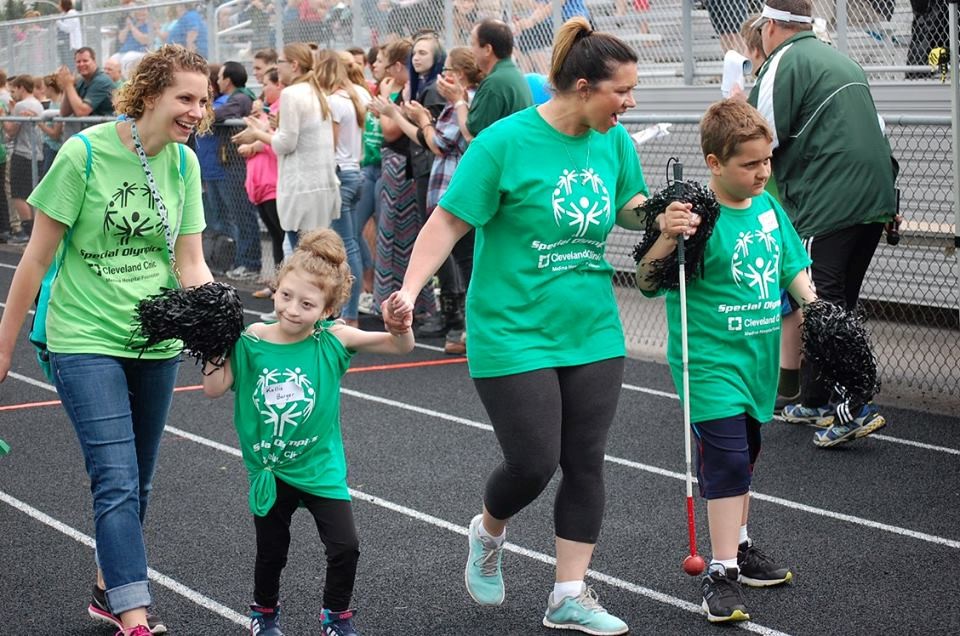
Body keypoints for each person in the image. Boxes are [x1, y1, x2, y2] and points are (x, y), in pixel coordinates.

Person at [385, 18, 656, 635]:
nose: (631, 103)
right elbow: (448, 223)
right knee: (534, 463)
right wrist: (408, 288)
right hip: (511, 328)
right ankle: (489, 530)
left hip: (591, 329)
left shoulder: (614, 143)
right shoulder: (504, 142)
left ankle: (568, 593)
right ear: (584, 87)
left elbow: (630, 207)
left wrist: (669, 211)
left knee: (585, 461)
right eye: (624, 91)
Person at [0, 44, 213, 636]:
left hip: (157, 342)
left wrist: (222, 324)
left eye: (203, 99)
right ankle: (134, 615)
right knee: (115, 477)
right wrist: (1, 346)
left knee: (138, 479)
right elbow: (35, 260)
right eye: (186, 98)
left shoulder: (184, 164)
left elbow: (190, 261)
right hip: (84, 335)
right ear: (149, 95)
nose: (198, 110)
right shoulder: (83, 154)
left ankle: (105, 590)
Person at [637, 98, 812, 624]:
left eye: (767, 162)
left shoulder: (767, 207)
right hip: (708, 360)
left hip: (755, 357)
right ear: (714, 163)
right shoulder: (694, 217)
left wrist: (817, 307)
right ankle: (721, 571)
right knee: (728, 460)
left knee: (747, 456)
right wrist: (668, 237)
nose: (762, 173)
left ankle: (739, 540)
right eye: (749, 164)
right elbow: (647, 282)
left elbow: (791, 266)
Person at [201, 228, 414, 636]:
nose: (293, 309)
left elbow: (398, 347)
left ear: (329, 309)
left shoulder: (332, 340)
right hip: (272, 470)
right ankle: (263, 615)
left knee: (345, 546)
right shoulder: (250, 341)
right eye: (285, 296)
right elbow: (212, 388)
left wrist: (399, 324)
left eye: (307, 303)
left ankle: (335, 616)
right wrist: (212, 343)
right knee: (271, 553)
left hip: (320, 468)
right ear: (275, 287)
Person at [747, 0, 895, 444]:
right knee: (836, 300)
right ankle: (814, 398)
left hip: (829, 198)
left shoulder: (783, 62)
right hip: (875, 194)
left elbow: (756, 139)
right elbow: (879, 129)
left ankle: (852, 404)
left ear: (770, 25)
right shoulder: (841, 59)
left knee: (819, 302)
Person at [434, 18, 533, 354]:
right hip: (513, 177)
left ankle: (481, 330)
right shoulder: (512, 76)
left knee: (471, 259)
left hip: (497, 184)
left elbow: (474, 134)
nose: (472, 50)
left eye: (474, 44)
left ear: (487, 49)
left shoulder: (495, 83)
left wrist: (460, 101)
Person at [399, 46, 483, 354]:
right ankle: (469, 329)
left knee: (467, 264)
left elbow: (439, 143)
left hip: (456, 194)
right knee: (466, 263)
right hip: (456, 193)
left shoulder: (464, 103)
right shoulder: (461, 103)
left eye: (447, 69)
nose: (442, 75)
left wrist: (422, 119)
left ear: (459, 75)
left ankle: (471, 329)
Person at [232, 43, 340, 249]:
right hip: (320, 188)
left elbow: (285, 144)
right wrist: (265, 128)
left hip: (301, 190)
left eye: (280, 62)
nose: (277, 66)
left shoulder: (292, 94)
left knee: (303, 257)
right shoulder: (316, 92)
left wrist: (257, 134)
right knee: (317, 254)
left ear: (294, 65)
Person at [367, 38, 438, 325]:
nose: (379, 67)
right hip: (394, 169)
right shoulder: (401, 89)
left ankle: (415, 302)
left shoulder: (410, 92)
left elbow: (390, 132)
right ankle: (390, 299)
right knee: (389, 234)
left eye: (384, 61)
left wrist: (387, 108)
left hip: (404, 171)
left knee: (404, 236)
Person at [316, 50, 370, 327]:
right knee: (354, 242)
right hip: (356, 172)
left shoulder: (335, 101)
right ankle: (356, 303)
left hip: (341, 175)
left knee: (347, 246)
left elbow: (330, 145)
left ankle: (350, 313)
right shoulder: (358, 94)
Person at [213, 61, 263, 281]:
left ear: (229, 79)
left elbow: (222, 113)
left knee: (244, 216)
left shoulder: (241, 97)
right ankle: (243, 261)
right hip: (232, 164)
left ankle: (250, 263)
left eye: (220, 77)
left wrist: (210, 112)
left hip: (239, 165)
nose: (217, 81)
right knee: (238, 215)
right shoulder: (240, 97)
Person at [237, 67, 284, 278]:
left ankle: (284, 284)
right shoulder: (266, 111)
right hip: (260, 186)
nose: (262, 90)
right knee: (276, 236)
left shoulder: (281, 110)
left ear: (279, 85)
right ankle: (276, 283)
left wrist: (255, 141)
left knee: (283, 237)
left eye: (266, 84)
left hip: (273, 184)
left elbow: (277, 141)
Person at [4, 75, 44, 244]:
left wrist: (5, 115)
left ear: (21, 87)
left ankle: (27, 231)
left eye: (15, 90)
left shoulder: (21, 105)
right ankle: (33, 231)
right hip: (36, 153)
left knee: (18, 194)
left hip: (22, 153)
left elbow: (11, 131)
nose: (14, 93)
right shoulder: (38, 103)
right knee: (31, 192)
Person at [58, 47, 117, 140]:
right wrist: (67, 86)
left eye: (85, 61)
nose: (81, 64)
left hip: (107, 135)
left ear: (94, 61)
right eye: (78, 62)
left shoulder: (102, 81)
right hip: (93, 135)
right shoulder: (81, 81)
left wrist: (69, 85)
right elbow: (64, 113)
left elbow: (81, 111)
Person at [56, 0, 83, 66]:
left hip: (71, 45)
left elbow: (68, 29)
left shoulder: (72, 13)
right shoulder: (64, 14)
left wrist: (58, 22)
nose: (58, 6)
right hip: (65, 44)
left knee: (70, 64)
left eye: (60, 4)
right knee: (64, 63)